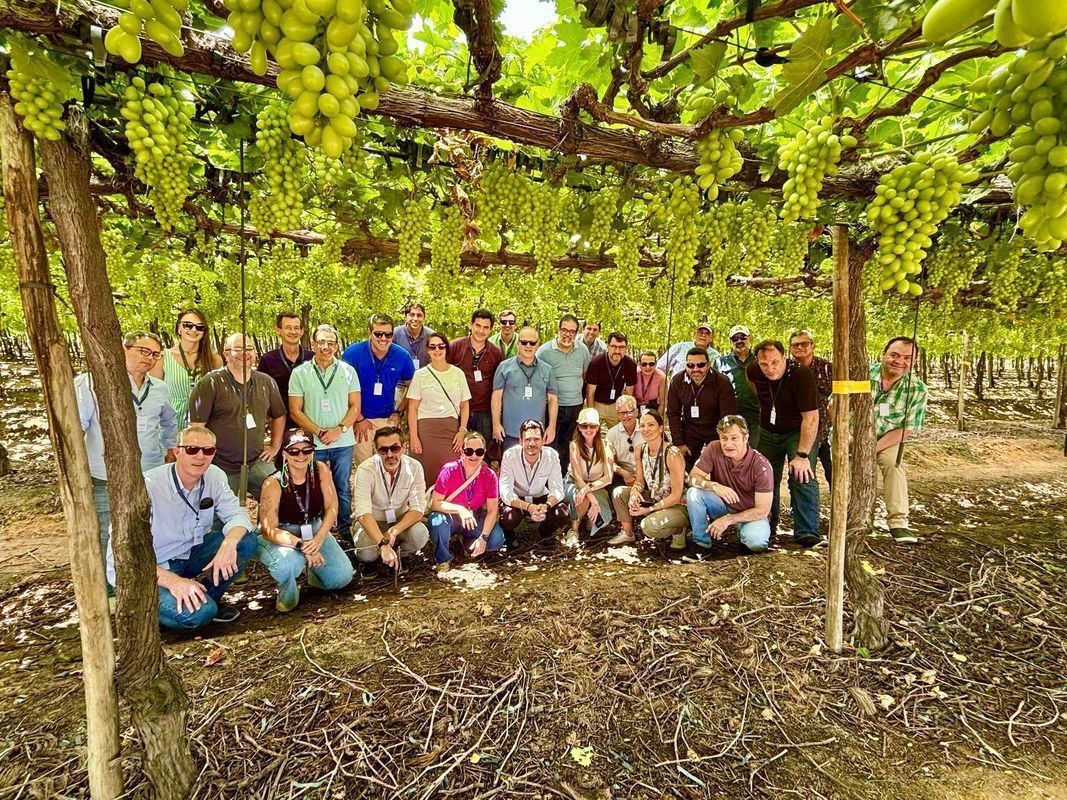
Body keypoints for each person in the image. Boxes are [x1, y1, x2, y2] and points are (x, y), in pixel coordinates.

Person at [105, 427, 257, 629]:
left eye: (208, 451)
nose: (200, 456)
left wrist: (228, 545)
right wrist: (174, 582)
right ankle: (149, 610)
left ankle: (206, 597)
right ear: (177, 452)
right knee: (199, 615)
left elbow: (238, 515)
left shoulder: (214, 476)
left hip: (187, 554)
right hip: (148, 569)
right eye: (192, 449)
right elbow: (126, 555)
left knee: (245, 541)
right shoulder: (148, 486)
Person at [76, 330, 178, 561]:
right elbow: (75, 428)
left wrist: (170, 450)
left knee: (149, 525)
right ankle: (111, 580)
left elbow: (169, 422)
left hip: (150, 472)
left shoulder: (159, 387)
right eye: (144, 351)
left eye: (155, 354)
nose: (149, 358)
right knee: (108, 531)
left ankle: (148, 571)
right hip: (106, 475)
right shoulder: (92, 383)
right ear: (124, 349)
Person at [255, 430, 354, 612]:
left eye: (307, 450)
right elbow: (269, 530)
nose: (301, 455)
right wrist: (303, 546)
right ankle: (288, 594)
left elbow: (332, 507)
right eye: (294, 451)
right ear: (284, 454)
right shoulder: (273, 482)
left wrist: (319, 539)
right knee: (287, 564)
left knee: (342, 578)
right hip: (282, 533)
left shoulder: (321, 470)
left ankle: (314, 575)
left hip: (313, 527)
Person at [188, 333, 286, 500]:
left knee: (279, 497)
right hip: (220, 464)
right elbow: (196, 427)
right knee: (217, 510)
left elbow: (279, 414)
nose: (244, 353)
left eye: (249, 348)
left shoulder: (266, 382)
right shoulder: (210, 383)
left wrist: (274, 446)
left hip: (257, 460)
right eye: (238, 349)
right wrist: (202, 460)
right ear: (226, 354)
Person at [288, 324, 362, 546]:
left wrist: (339, 429)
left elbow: (355, 406)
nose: (326, 346)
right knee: (312, 488)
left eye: (330, 342)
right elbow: (295, 410)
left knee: (342, 488)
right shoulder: (300, 373)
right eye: (321, 342)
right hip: (313, 444)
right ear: (312, 344)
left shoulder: (348, 371)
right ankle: (319, 531)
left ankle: (345, 531)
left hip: (343, 441)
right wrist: (318, 431)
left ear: (337, 346)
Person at [746, 340, 821, 548]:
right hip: (768, 431)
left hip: (798, 431)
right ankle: (766, 529)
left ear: (784, 357)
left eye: (775, 362)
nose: (770, 368)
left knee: (802, 475)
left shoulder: (801, 375)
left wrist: (802, 455)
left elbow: (811, 418)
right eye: (764, 364)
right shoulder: (753, 370)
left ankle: (807, 532)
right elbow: (754, 387)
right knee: (765, 479)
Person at [686, 415, 774, 553]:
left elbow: (762, 510)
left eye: (734, 438)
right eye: (724, 438)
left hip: (750, 514)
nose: (728, 444)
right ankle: (701, 543)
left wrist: (728, 519)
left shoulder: (762, 466)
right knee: (693, 493)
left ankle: (744, 538)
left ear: (746, 438)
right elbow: (692, 478)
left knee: (756, 542)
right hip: (722, 506)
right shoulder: (713, 448)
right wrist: (714, 485)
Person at [871, 337, 928, 544]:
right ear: (883, 354)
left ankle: (898, 522)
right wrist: (851, 439)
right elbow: (834, 406)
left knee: (893, 465)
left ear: (914, 362)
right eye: (894, 355)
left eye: (907, 358)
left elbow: (906, 430)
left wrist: (873, 448)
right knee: (848, 470)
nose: (899, 361)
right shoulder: (861, 375)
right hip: (850, 436)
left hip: (888, 438)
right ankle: (853, 518)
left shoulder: (917, 389)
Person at [351, 426, 430, 569]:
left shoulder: (414, 467)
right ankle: (375, 560)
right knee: (366, 553)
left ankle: (400, 555)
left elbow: (417, 510)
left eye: (395, 448)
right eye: (383, 450)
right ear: (376, 450)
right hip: (374, 522)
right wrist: (383, 542)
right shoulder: (365, 469)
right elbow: (363, 514)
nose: (389, 455)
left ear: (404, 447)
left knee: (420, 535)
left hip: (400, 521)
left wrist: (393, 532)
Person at [341, 314, 415, 464]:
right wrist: (358, 417)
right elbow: (342, 389)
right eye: (378, 334)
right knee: (365, 467)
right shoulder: (352, 354)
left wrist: (399, 412)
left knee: (390, 464)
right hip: (362, 420)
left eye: (388, 334)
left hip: (387, 419)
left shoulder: (402, 356)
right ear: (370, 333)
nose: (383, 338)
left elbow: (413, 387)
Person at [609, 410, 688, 547]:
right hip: (655, 498)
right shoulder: (640, 449)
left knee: (648, 526)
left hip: (677, 505)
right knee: (619, 493)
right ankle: (627, 533)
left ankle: (679, 528)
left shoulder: (672, 453)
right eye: (642, 426)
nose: (646, 429)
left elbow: (676, 496)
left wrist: (649, 509)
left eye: (651, 425)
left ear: (661, 428)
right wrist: (634, 492)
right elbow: (639, 481)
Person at [428, 431, 505, 571]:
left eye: (479, 452)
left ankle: (468, 543)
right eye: (469, 451)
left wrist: (483, 538)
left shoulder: (489, 475)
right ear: (462, 452)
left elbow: (493, 510)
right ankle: (443, 559)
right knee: (437, 521)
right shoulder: (449, 471)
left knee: (495, 540)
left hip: (474, 517)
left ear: (484, 453)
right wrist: (460, 509)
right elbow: (435, 503)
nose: (474, 456)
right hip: (451, 516)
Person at [408, 332, 472, 483]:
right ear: (428, 350)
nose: (437, 350)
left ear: (446, 348)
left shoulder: (458, 373)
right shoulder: (420, 375)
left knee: (453, 473)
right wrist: (414, 437)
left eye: (441, 346)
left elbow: (464, 405)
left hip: (451, 431)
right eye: (433, 347)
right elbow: (412, 409)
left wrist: (462, 430)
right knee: (426, 473)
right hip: (426, 431)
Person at [665, 347, 737, 471]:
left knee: (720, 466)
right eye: (690, 365)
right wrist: (678, 443)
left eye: (700, 365)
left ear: (708, 365)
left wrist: (725, 440)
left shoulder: (722, 382)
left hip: (715, 429)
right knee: (683, 465)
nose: (695, 369)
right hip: (690, 429)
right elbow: (673, 413)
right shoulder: (677, 381)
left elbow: (727, 417)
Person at [498, 419, 569, 542]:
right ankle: (510, 539)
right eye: (527, 439)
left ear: (543, 441)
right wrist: (528, 507)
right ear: (520, 441)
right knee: (509, 517)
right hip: (518, 500)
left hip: (541, 499)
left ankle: (545, 533)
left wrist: (547, 506)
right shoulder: (510, 456)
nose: (532, 443)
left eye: (536, 439)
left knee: (562, 513)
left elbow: (557, 489)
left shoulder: (551, 456)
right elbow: (505, 493)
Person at [150, 308, 223, 429]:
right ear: (179, 328)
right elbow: (154, 395)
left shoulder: (214, 360)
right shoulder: (162, 357)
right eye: (187, 325)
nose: (194, 330)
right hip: (170, 427)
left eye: (199, 327)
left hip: (204, 428)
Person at [537, 315, 590, 474]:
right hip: (553, 407)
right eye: (564, 330)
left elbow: (584, 375)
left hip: (575, 405)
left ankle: (565, 477)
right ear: (558, 330)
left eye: (572, 331)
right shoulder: (544, 352)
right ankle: (548, 478)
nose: (567, 334)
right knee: (551, 444)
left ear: (577, 333)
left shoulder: (583, 350)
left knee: (571, 445)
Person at [448, 309, 503, 460]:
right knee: (456, 450)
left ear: (491, 330)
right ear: (471, 325)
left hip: (484, 411)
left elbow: (498, 386)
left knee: (482, 453)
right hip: (458, 409)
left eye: (486, 327)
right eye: (478, 325)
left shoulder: (496, 353)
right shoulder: (455, 347)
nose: (481, 331)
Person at [492, 326, 558, 451]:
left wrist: (552, 426)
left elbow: (553, 400)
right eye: (524, 342)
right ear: (518, 344)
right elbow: (496, 397)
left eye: (532, 343)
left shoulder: (547, 370)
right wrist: (496, 424)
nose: (528, 346)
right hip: (510, 433)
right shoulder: (504, 367)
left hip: (537, 434)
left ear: (538, 344)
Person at [788, 329, 833, 489]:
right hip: (801, 433)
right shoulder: (786, 370)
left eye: (804, 343)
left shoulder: (827, 368)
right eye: (795, 345)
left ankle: (841, 502)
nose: (800, 347)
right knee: (802, 476)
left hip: (827, 430)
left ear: (813, 346)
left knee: (834, 472)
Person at [563, 408, 614, 543]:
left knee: (600, 518)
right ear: (579, 428)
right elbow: (577, 477)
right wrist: (593, 500)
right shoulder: (574, 445)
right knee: (583, 498)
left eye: (592, 426)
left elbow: (608, 478)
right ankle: (574, 529)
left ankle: (589, 525)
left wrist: (587, 489)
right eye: (584, 426)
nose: (588, 429)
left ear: (598, 427)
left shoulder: (605, 445)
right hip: (575, 483)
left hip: (596, 485)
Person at [258, 312, 313, 429]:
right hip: (280, 424)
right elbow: (261, 394)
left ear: (302, 331)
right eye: (288, 327)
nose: (293, 332)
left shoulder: (313, 358)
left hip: (312, 422)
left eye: (296, 328)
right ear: (278, 330)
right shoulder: (267, 360)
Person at [585, 331, 637, 429]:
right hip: (597, 403)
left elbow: (629, 393)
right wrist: (591, 414)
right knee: (592, 432)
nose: (617, 351)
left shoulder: (630, 364)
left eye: (621, 347)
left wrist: (625, 413)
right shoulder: (596, 363)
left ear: (626, 348)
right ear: (607, 347)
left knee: (619, 433)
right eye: (614, 346)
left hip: (615, 404)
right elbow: (590, 392)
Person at [716, 325, 759, 435]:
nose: (739, 341)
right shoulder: (720, 362)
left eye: (743, 337)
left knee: (756, 446)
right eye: (735, 338)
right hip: (730, 417)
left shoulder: (759, 360)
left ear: (750, 338)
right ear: (730, 341)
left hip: (756, 417)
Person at [606, 395, 640, 489]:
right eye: (622, 413)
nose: (625, 416)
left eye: (629, 412)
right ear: (617, 414)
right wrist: (624, 473)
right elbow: (608, 461)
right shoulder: (611, 434)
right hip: (622, 477)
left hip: (645, 474)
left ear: (636, 412)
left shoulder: (645, 430)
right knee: (618, 493)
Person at [393, 302, 435, 368]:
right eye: (412, 315)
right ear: (405, 317)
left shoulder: (432, 336)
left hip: (425, 373)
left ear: (424, 318)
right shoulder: (394, 334)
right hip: (400, 374)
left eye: (419, 315)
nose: (415, 319)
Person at [633, 350, 667, 414]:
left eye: (651, 364)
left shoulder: (661, 377)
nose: (648, 367)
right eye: (644, 364)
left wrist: (657, 417)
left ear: (656, 364)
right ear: (639, 364)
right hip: (635, 409)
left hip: (653, 409)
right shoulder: (634, 374)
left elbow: (662, 403)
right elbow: (629, 397)